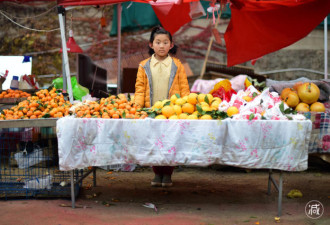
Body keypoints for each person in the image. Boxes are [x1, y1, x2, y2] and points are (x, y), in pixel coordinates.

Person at [134, 26, 190, 187]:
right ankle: (157, 173)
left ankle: (168, 174)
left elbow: (184, 88)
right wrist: (137, 108)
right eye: (158, 42)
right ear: (151, 44)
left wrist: (186, 107)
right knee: (154, 142)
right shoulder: (143, 66)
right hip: (151, 111)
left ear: (171, 45)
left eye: (165, 42)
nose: (161, 46)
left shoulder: (177, 65)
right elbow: (139, 89)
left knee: (169, 142)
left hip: (172, 112)